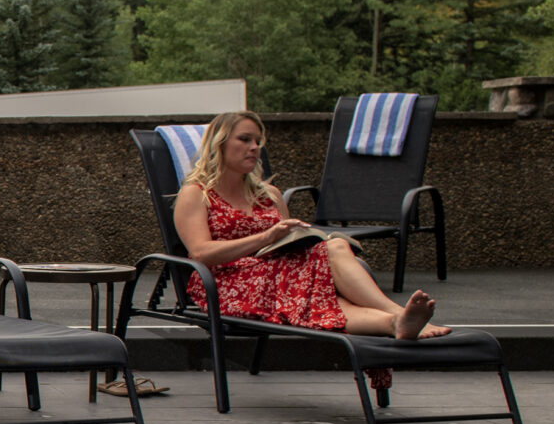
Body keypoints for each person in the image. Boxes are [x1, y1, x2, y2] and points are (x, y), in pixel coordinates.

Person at [176, 111, 449, 344]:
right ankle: (398, 312)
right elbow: (201, 253)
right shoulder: (196, 194)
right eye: (245, 139)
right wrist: (266, 237)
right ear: (219, 144)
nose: (255, 147)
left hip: (280, 274)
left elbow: (285, 243)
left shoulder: (269, 194)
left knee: (325, 279)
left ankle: (395, 322)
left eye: (258, 141)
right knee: (330, 261)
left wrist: (297, 237)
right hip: (229, 283)